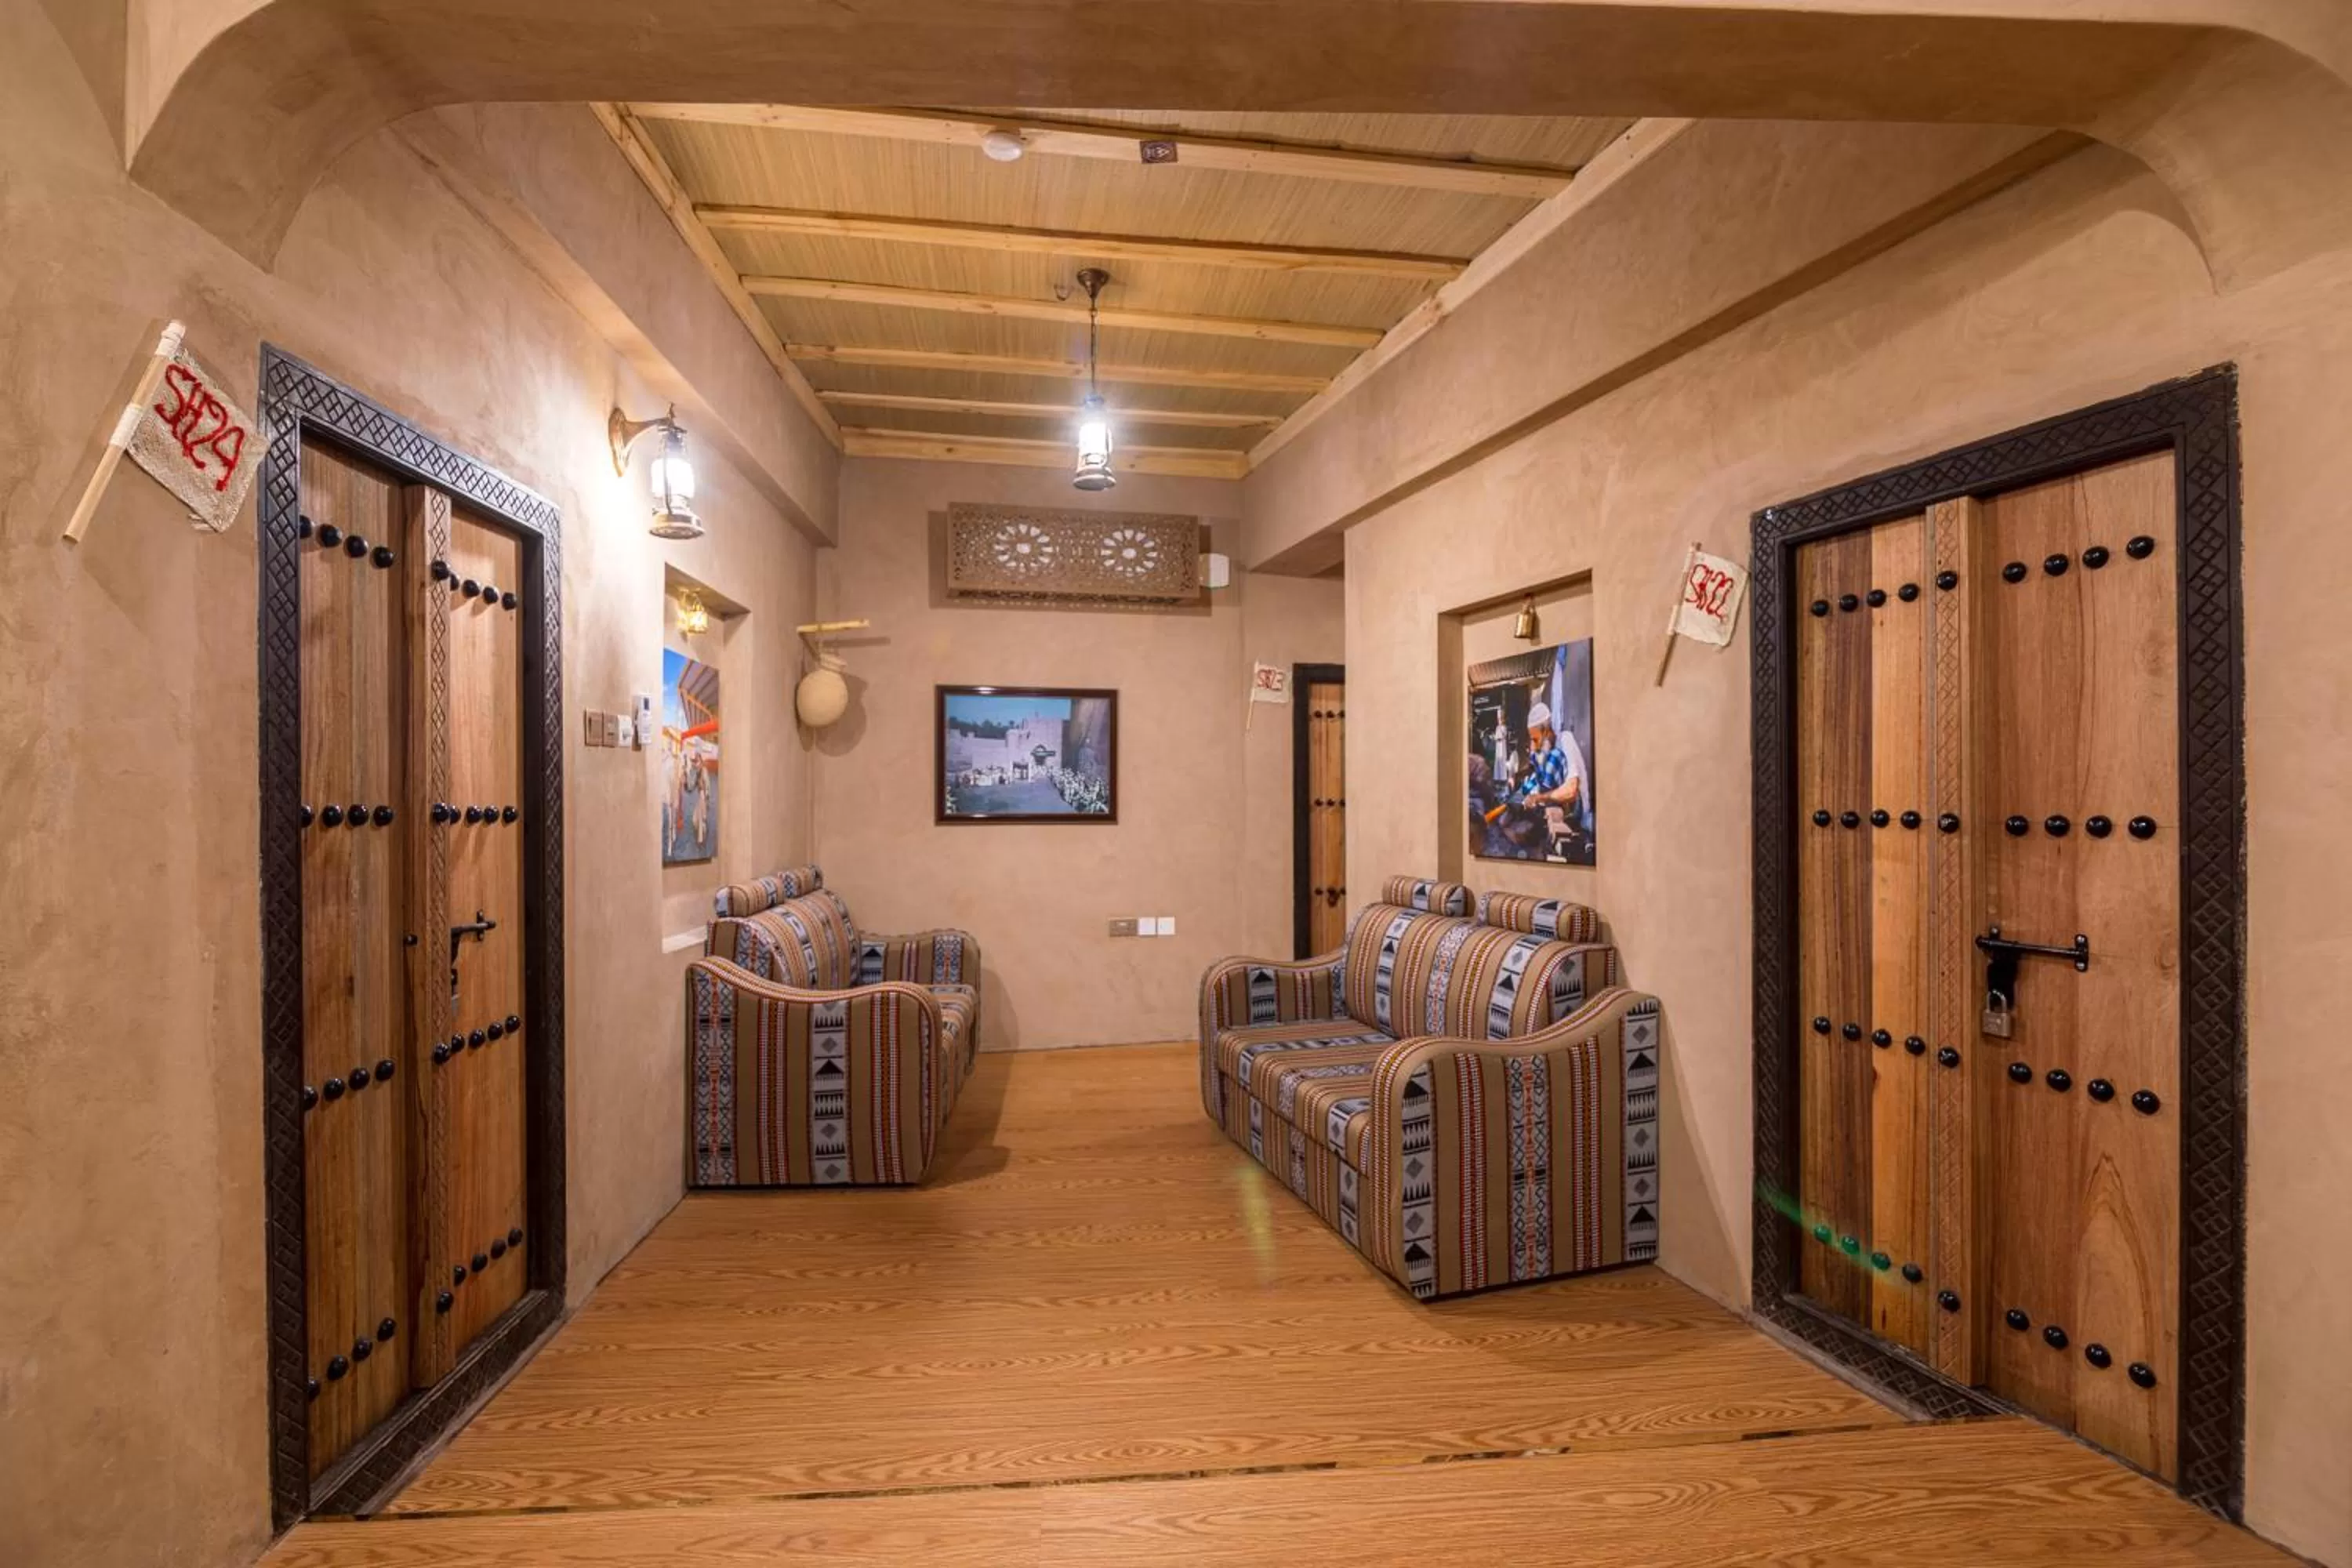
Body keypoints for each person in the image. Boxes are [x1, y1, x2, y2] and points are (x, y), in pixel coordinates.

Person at [1508, 700, 1589, 844]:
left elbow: (1571, 791)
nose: (1535, 745)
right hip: (1560, 809)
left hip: (1578, 816)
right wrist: (1517, 784)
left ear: (1545, 731)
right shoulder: (1547, 750)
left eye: (1535, 739)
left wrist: (1539, 798)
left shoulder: (1565, 740)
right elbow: (1535, 774)